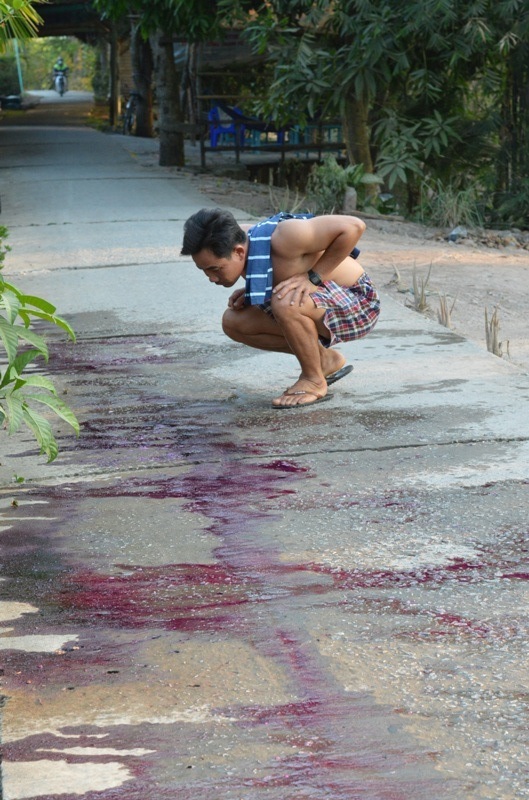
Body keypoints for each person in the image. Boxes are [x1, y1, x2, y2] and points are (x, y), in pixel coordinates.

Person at [181, 208, 380, 409]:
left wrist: (314, 277)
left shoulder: (286, 236)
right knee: (233, 321)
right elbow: (284, 272)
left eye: (215, 269)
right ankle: (324, 361)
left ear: (239, 252)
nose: (212, 278)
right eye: (204, 270)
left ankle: (314, 381)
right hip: (321, 301)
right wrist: (254, 288)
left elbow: (354, 226)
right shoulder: (236, 241)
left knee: (285, 301)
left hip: (359, 304)